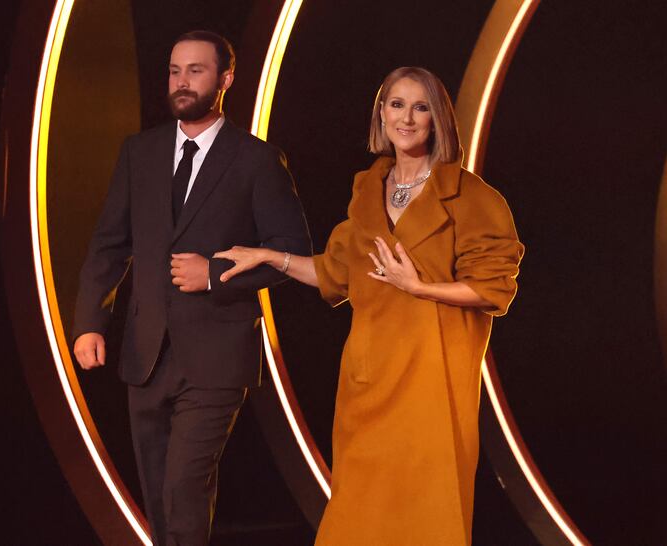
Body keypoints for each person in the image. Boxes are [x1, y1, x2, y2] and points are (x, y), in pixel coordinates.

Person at [214, 66, 524, 545]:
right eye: (396, 104)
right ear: (380, 114)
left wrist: (419, 287)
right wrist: (270, 256)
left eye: (420, 107)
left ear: (438, 118)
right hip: (366, 380)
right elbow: (336, 274)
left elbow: (492, 289)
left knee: (426, 515)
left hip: (431, 382)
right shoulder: (366, 194)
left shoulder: (472, 198)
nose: (407, 117)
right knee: (358, 518)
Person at [72, 30, 311, 546]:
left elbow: (291, 257)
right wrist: (91, 321)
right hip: (145, 354)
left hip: (217, 356)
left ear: (225, 79)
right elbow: (110, 243)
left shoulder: (257, 159)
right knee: (160, 495)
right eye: (175, 70)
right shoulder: (140, 152)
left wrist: (216, 274)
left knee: (183, 488)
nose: (182, 82)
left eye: (196, 71)